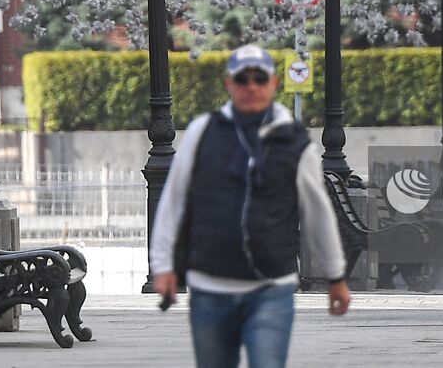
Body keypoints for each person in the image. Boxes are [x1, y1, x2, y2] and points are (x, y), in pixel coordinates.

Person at [150, 44, 351, 368]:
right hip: (209, 285)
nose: (252, 86)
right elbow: (174, 199)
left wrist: (335, 275)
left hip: (271, 287)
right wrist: (162, 266)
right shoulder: (203, 131)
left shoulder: (294, 142)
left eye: (261, 78)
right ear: (230, 84)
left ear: (273, 83)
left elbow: (317, 213)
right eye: (243, 79)